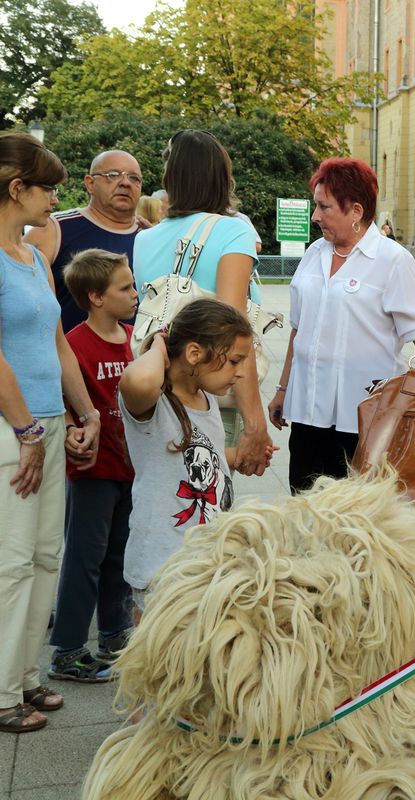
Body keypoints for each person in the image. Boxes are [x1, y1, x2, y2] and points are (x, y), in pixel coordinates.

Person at [0, 132, 103, 733]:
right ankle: (2, 687)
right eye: (48, 189)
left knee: (44, 556)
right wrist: (28, 431)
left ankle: (26, 677)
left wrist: (85, 411)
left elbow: (56, 341)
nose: (53, 200)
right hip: (14, 430)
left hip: (48, 422)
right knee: (12, 562)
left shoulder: (34, 257)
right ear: (18, 189)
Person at [269, 158, 415, 492]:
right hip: (307, 410)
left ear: (356, 211)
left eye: (324, 207)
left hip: (362, 418)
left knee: (353, 516)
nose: (315, 216)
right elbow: (299, 329)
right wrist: (283, 388)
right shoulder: (315, 254)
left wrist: (413, 405)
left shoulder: (393, 261)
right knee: (303, 503)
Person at [132, 129, 273, 477]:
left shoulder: (144, 239)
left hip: (159, 385)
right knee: (207, 497)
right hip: (211, 391)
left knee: (167, 487)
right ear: (221, 178)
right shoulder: (233, 232)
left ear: (172, 177)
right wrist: (256, 422)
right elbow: (233, 332)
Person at [118, 299, 256, 611]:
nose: (240, 373)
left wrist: (237, 458)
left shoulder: (206, 398)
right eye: (234, 361)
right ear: (194, 353)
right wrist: (158, 346)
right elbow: (139, 379)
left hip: (205, 563)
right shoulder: (154, 406)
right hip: (163, 565)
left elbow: (206, 456)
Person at [48, 250, 139, 684]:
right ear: (95, 297)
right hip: (92, 471)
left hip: (129, 468)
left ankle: (114, 634)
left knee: (119, 557)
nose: (135, 294)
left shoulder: (136, 338)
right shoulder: (76, 344)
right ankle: (67, 650)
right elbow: (63, 400)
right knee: (85, 558)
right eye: (125, 287)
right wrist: (71, 429)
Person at [24, 149, 143, 332]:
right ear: (89, 183)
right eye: (113, 175)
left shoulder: (150, 237)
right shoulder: (54, 229)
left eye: (134, 178)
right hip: (67, 356)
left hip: (140, 358)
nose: (125, 183)